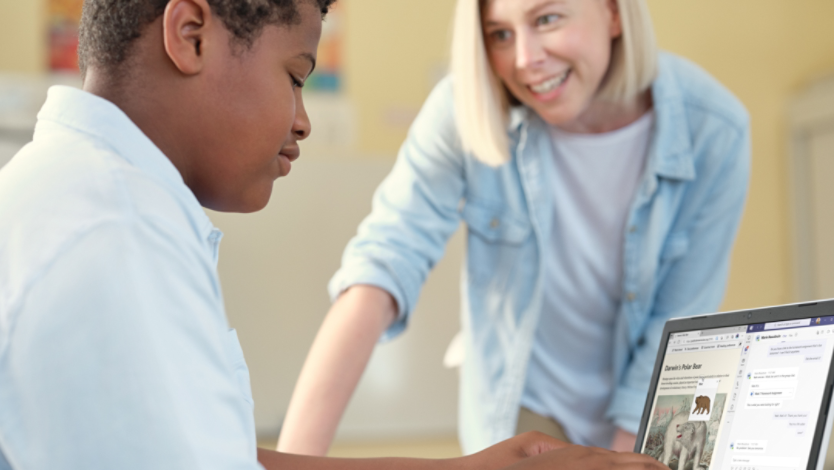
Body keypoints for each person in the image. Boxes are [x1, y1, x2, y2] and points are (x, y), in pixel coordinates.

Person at [0, 0, 668, 469]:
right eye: (294, 77)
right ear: (191, 35)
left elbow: (212, 454)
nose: (303, 121)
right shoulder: (114, 235)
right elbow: (385, 263)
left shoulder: (93, 195)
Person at [279, 0, 750, 457]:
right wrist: (296, 458)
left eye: (546, 19)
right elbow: (380, 271)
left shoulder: (715, 129)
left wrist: (624, 455)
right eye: (500, 33)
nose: (524, 60)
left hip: (648, 405)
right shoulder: (463, 109)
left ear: (612, 10)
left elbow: (679, 321)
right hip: (523, 406)